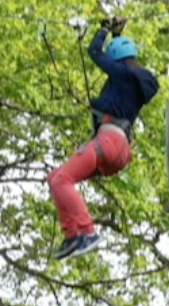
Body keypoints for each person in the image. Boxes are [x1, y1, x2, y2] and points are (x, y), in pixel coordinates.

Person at [45, 16, 161, 260]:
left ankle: (86, 231)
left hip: (109, 143)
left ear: (117, 59)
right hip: (118, 149)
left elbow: (95, 51)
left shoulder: (120, 74)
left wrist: (104, 30)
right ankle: (72, 236)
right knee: (55, 177)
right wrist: (118, 35)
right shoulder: (136, 80)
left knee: (61, 179)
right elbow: (122, 60)